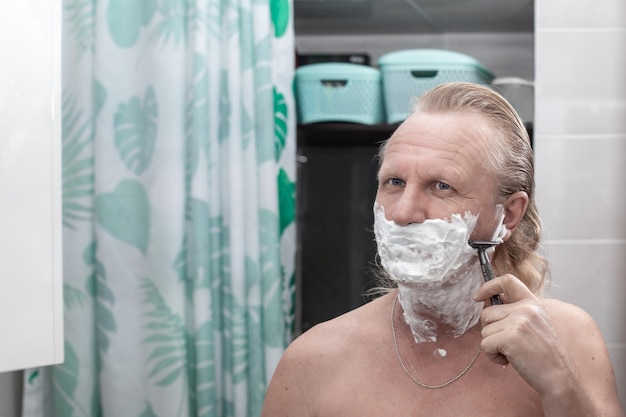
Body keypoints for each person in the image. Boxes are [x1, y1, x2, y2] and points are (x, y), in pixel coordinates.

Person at [261, 82, 625, 417]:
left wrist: (559, 385)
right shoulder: (313, 361)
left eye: (441, 186)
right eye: (394, 181)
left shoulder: (568, 341)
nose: (403, 213)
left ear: (507, 214)